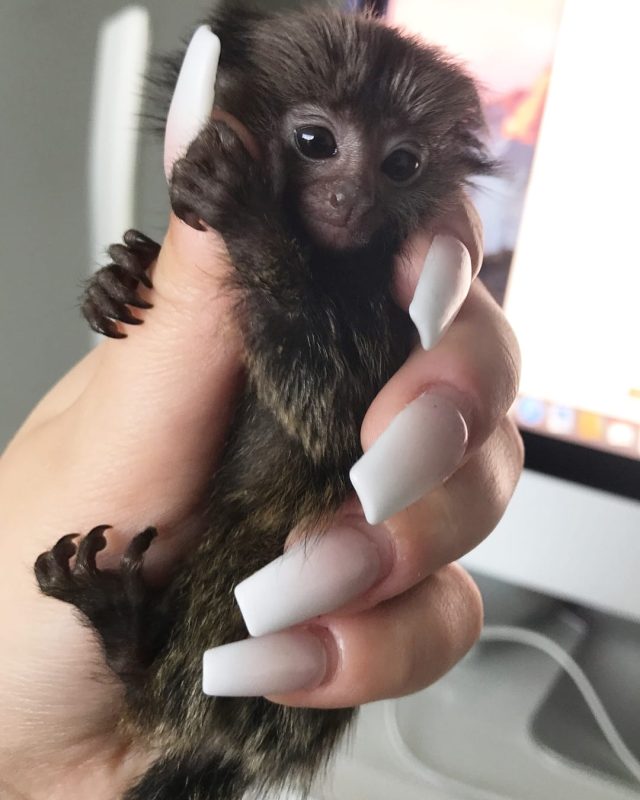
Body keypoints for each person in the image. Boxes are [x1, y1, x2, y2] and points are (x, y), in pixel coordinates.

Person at [0, 36, 523, 800]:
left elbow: (327, 413)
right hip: (194, 636)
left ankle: (145, 661)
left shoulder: (391, 308)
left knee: (282, 574)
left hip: (238, 654)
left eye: (400, 165)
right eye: (317, 143)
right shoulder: (228, 244)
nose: (353, 190)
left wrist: (253, 234)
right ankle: (146, 663)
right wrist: (138, 286)